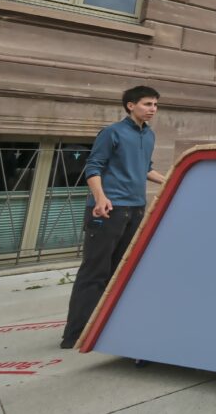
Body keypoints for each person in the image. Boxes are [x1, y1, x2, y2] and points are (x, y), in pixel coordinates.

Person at [61, 86, 165, 349]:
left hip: (135, 209)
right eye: (147, 104)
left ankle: (103, 329)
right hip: (109, 210)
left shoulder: (148, 135)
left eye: (155, 105)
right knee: (94, 272)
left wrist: (171, 180)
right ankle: (75, 335)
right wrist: (100, 198)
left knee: (119, 272)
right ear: (131, 105)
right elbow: (93, 167)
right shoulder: (112, 132)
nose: (153, 109)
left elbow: (145, 168)